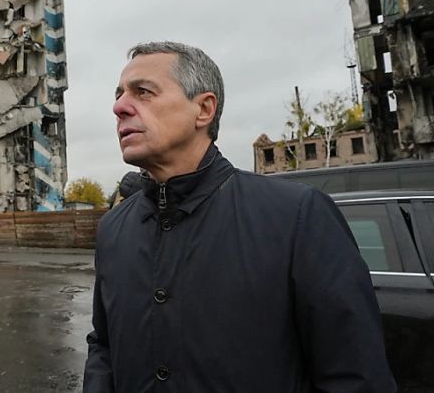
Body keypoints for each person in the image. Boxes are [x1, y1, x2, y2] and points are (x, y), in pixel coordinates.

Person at [83, 41, 396, 392]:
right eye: (119, 94)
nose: (119, 106)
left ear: (204, 109)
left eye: (143, 92)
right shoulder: (114, 228)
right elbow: (104, 346)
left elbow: (355, 376)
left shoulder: (296, 216)